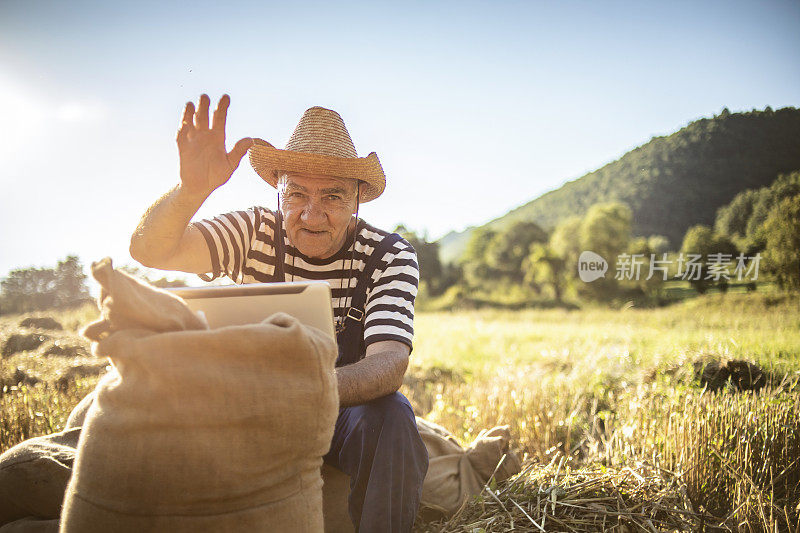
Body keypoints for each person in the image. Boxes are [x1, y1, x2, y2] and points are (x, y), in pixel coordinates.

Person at [129, 94, 428, 533]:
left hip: (342, 411)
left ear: (359, 198)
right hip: (249, 408)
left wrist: (300, 391)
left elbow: (389, 364)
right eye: (296, 193)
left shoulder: (388, 255)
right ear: (278, 190)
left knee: (392, 417)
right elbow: (149, 251)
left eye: (332, 196)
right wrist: (192, 191)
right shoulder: (252, 231)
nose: (312, 214)